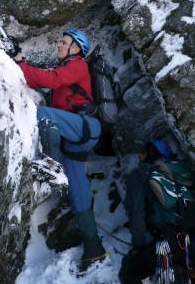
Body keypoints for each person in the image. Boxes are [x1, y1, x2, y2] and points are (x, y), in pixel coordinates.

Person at [12, 29, 107, 271]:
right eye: (61, 42)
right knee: (78, 192)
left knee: (42, 114)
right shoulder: (66, 70)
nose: (60, 44)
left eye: (64, 42)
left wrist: (22, 64)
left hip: (85, 127)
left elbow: (52, 80)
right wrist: (17, 66)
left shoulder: (78, 66)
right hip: (73, 138)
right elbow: (38, 81)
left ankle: (51, 165)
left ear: (76, 49)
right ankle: (93, 247)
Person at [119, 140, 195, 284]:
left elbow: (136, 210)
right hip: (192, 238)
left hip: (169, 242)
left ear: (152, 154)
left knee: (130, 273)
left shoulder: (142, 173)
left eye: (143, 152)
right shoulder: (183, 173)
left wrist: (138, 246)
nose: (139, 156)